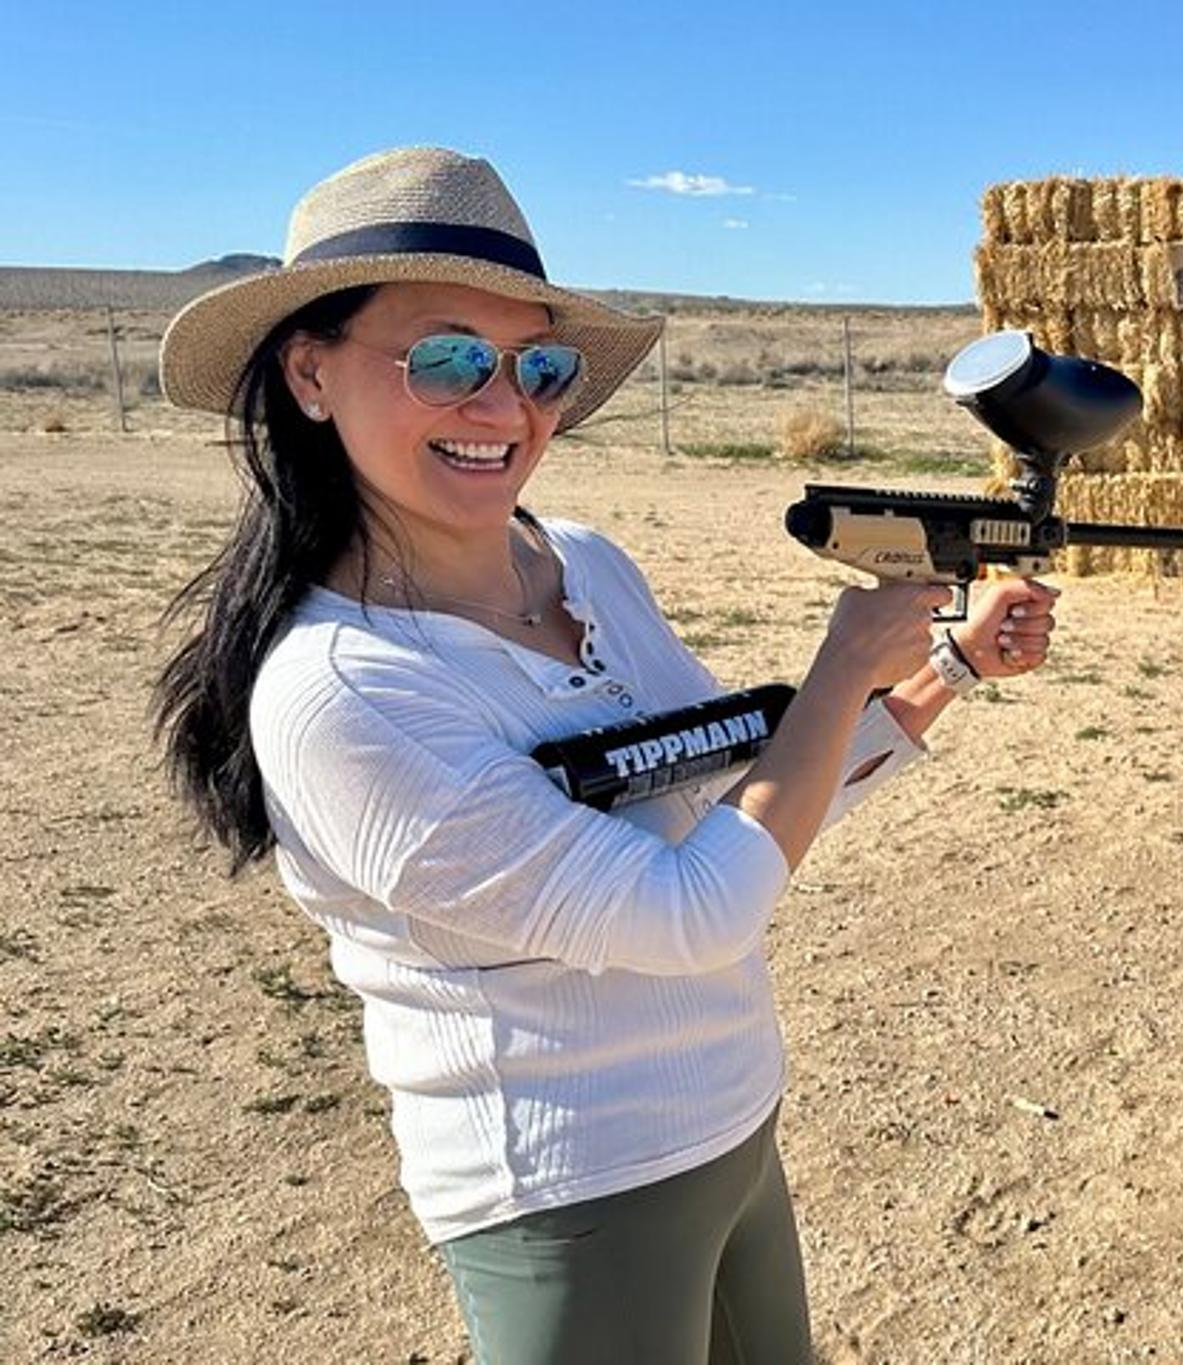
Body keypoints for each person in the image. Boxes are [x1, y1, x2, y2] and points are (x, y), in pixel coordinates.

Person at [150, 147, 1060, 1365]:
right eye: (447, 356)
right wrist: (842, 670)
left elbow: (731, 809)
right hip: (570, 1193)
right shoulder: (341, 691)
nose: (503, 405)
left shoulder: (581, 560)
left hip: (729, 1123)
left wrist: (940, 674)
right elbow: (692, 911)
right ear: (310, 374)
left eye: (538, 366)